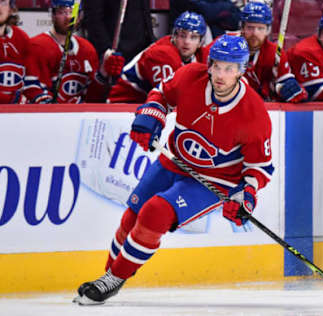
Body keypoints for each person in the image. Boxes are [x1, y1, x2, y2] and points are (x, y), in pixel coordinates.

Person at [73, 34, 274, 305]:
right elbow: (162, 94)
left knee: (155, 213)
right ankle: (107, 275)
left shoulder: (254, 113)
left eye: (229, 68)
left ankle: (114, 280)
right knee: (131, 217)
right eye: (217, 65)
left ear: (241, 70)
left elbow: (259, 166)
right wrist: (152, 113)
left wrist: (246, 193)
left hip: (213, 180)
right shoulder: (191, 75)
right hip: (173, 161)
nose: (220, 74)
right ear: (210, 64)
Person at [23, 0, 125, 104]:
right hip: (47, 117)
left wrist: (103, 74)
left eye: (73, 12)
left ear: (80, 16)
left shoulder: (87, 49)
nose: (68, 17)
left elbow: (92, 98)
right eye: (62, 12)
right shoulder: (37, 46)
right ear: (53, 15)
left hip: (78, 118)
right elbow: (32, 90)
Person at [108, 11, 209, 104]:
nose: (187, 42)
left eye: (193, 37)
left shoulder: (200, 55)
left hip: (143, 104)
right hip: (123, 103)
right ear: (174, 36)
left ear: (200, 42)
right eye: (182, 35)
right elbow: (169, 97)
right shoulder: (162, 54)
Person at [239, 1, 306, 102]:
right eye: (250, 27)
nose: (255, 33)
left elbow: (284, 83)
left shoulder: (275, 53)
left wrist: (288, 88)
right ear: (242, 28)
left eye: (260, 28)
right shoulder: (226, 48)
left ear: (268, 30)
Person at [82, 0, 154, 63]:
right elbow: (93, 18)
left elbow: (144, 10)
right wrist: (106, 51)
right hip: (115, 54)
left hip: (144, 50)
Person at [0, 0, 30, 104]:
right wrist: (11, 99)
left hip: (15, 115)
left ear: (11, 8)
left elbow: (31, 78)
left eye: (2, 2)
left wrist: (38, 96)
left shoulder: (22, 38)